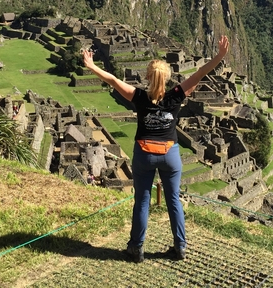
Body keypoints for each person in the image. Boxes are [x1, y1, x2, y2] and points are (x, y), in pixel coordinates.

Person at [82, 35, 229, 263]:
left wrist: (91, 66)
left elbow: (112, 80)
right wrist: (219, 56)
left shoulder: (138, 96)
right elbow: (200, 73)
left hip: (145, 153)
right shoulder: (176, 96)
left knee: (142, 200)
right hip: (170, 154)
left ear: (148, 77)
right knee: (173, 201)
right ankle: (180, 247)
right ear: (168, 78)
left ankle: (136, 248)